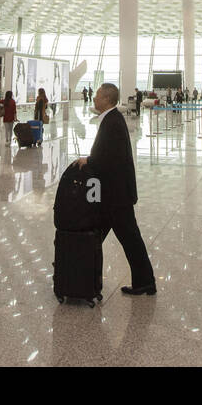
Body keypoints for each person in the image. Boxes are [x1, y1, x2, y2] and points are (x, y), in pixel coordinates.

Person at [79, 83, 155, 295]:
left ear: (106, 99)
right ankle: (79, 275)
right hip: (113, 194)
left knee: (128, 239)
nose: (94, 98)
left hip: (116, 197)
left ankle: (145, 281)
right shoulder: (112, 119)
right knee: (95, 236)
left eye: (97, 95)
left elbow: (107, 158)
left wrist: (89, 161)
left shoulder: (112, 122)